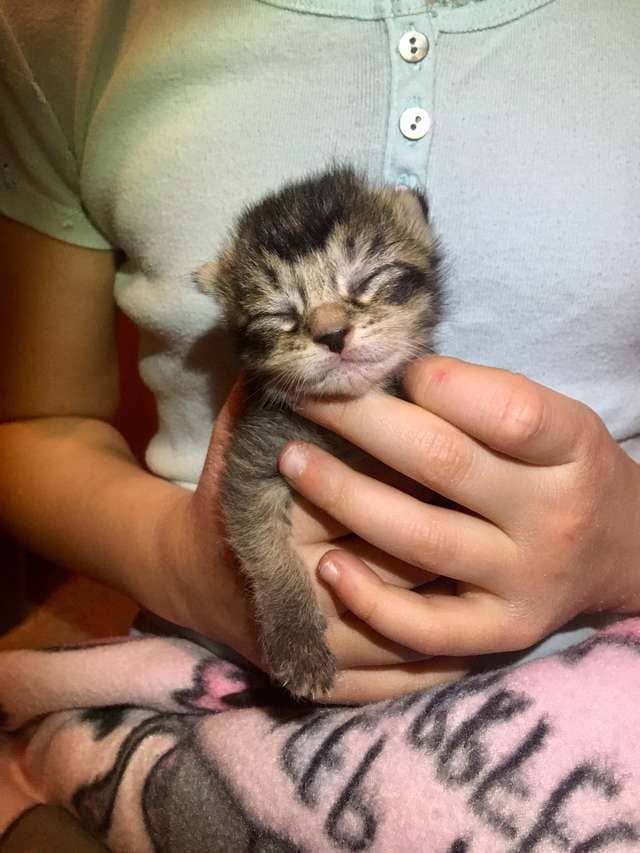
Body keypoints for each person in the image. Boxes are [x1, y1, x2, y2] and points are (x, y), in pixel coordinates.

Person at [1, 0, 639, 844]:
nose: (335, 329)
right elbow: (38, 418)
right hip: (230, 673)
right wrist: (183, 563)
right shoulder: (52, 29)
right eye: (283, 318)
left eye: (370, 285)